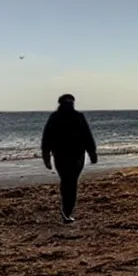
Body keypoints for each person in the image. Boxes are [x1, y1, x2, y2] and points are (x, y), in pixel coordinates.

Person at [41, 94, 97, 224]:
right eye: (67, 102)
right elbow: (47, 138)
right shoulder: (55, 118)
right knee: (68, 182)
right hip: (61, 156)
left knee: (70, 182)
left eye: (71, 102)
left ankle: (67, 210)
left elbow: (87, 135)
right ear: (61, 103)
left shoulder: (78, 117)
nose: (69, 104)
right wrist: (46, 157)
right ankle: (66, 211)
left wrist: (92, 152)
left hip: (77, 155)